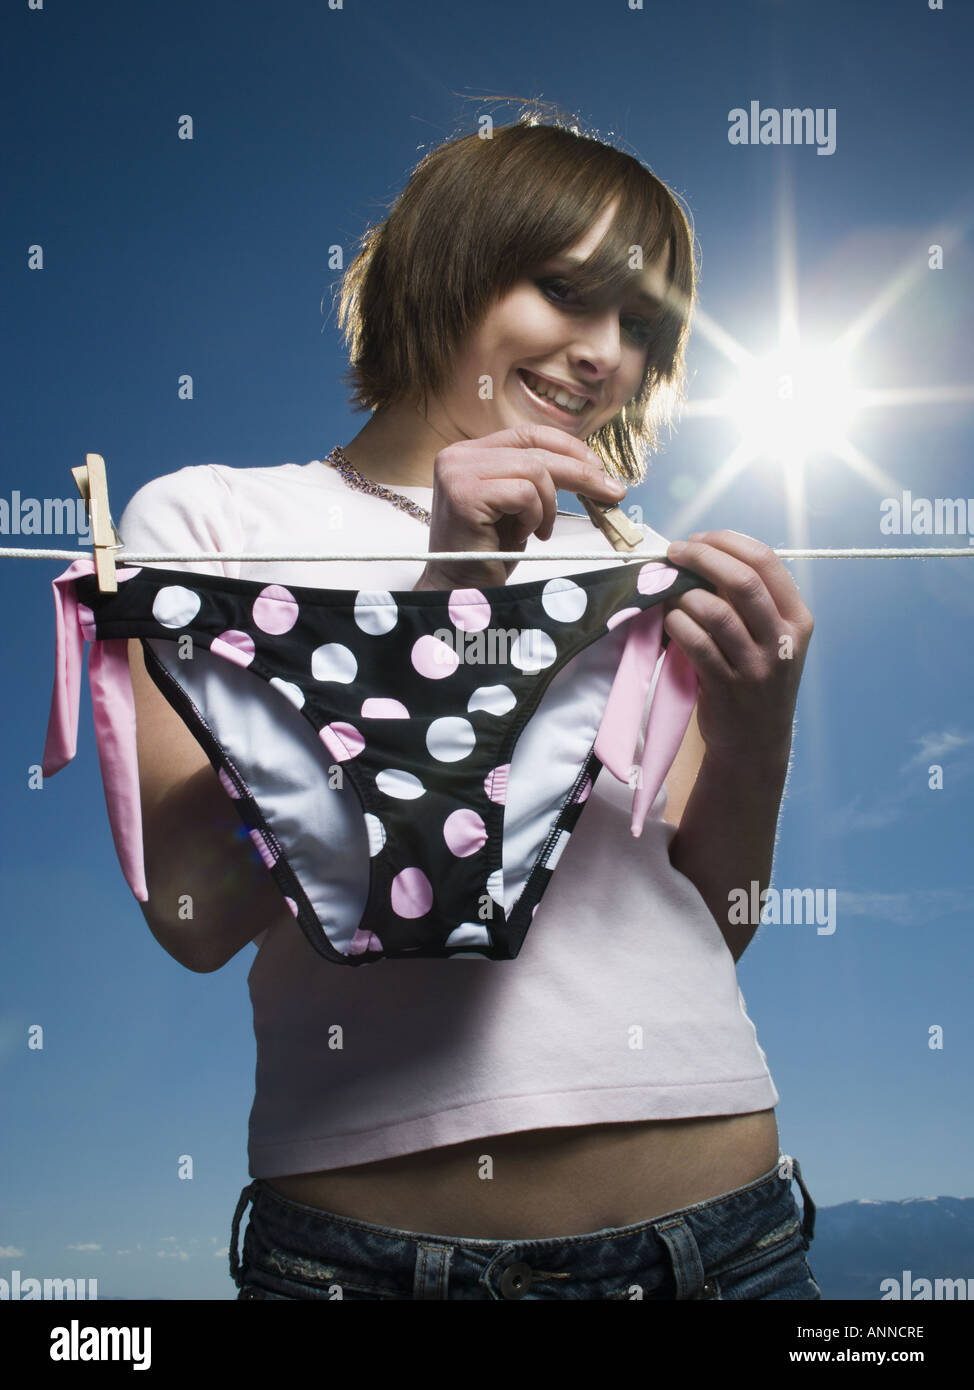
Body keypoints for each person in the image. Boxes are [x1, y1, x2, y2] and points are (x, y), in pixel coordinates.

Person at [119, 109, 821, 1300]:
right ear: (450, 262)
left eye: (640, 326)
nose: (603, 351)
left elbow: (718, 923)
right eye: (565, 290)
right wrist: (441, 620)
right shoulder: (210, 529)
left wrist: (758, 726)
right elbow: (194, 913)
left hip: (722, 1243)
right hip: (370, 1267)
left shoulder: (640, 563)